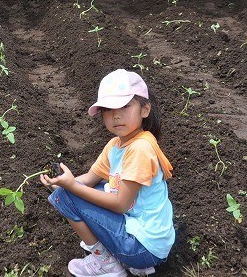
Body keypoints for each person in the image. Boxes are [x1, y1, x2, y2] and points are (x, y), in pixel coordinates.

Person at [40, 69, 174, 277]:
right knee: (87, 189)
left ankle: (106, 263)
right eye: (108, 109)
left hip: (143, 248)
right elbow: (90, 179)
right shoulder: (116, 145)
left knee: (64, 197)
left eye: (124, 106)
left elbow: (120, 204)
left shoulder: (140, 148)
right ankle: (131, 263)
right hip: (146, 240)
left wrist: (69, 188)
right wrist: (60, 181)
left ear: (145, 110)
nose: (116, 115)